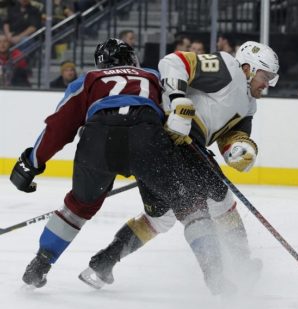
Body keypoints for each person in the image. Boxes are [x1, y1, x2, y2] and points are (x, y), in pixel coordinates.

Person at [11, 38, 220, 292]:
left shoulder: (88, 80)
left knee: (78, 206)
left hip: (98, 141)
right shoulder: (152, 76)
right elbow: (177, 116)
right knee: (191, 206)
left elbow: (59, 126)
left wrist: (32, 162)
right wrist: (196, 156)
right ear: (132, 59)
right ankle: (216, 276)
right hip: (147, 140)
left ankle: (40, 264)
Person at [78, 41, 280, 294]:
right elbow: (173, 63)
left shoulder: (249, 104)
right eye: (265, 76)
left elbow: (232, 138)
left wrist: (241, 151)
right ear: (248, 68)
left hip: (159, 148)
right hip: (174, 140)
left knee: (160, 218)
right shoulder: (229, 69)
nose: (267, 84)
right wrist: (177, 100)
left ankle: (103, 262)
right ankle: (239, 264)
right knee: (220, 202)